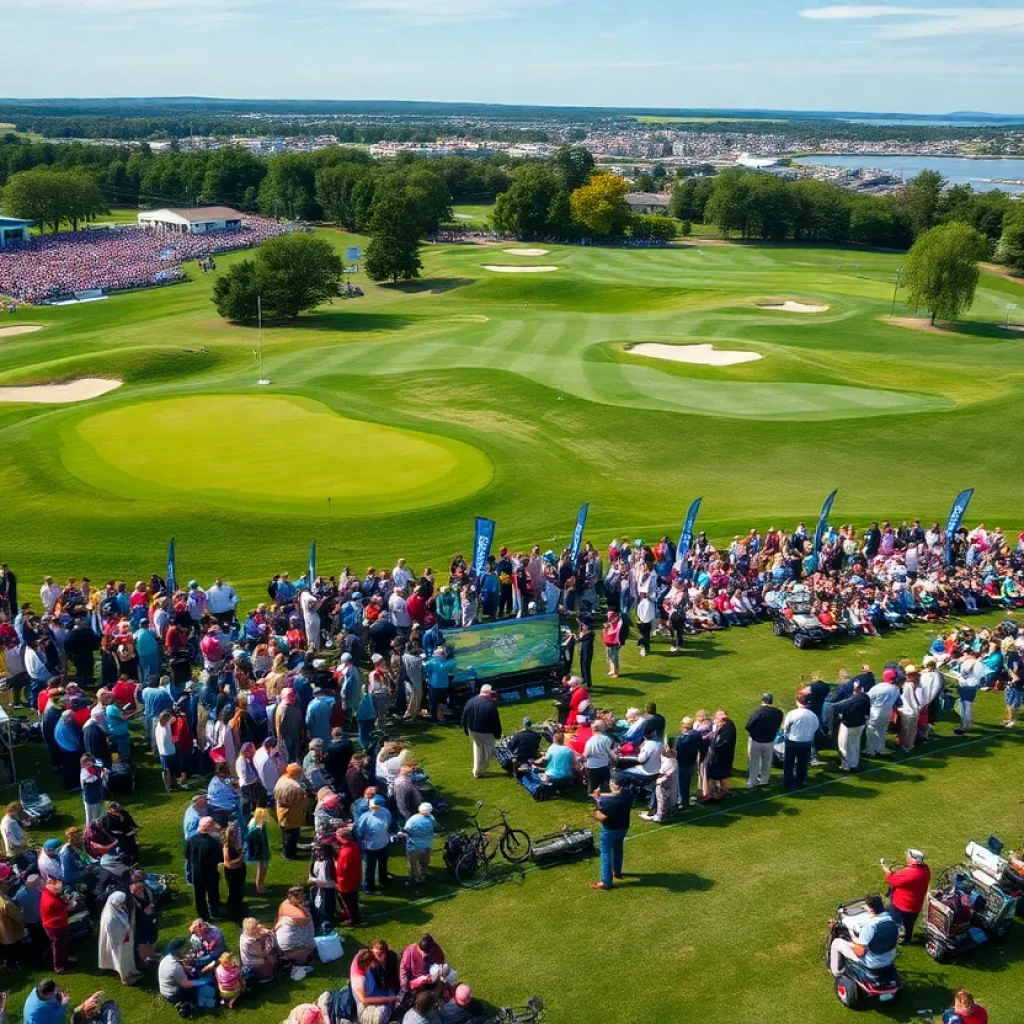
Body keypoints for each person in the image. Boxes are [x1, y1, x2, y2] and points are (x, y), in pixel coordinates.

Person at [828, 893, 899, 978]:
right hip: (890, 958)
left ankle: (837, 973)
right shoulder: (893, 921)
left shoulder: (869, 927)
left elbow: (861, 953)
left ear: (872, 909)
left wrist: (853, 944)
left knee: (837, 943)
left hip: (872, 963)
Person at [882, 848, 931, 943]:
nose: (906, 858)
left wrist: (887, 871)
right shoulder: (925, 869)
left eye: (907, 856)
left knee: (895, 921)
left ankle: (898, 938)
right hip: (916, 905)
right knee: (909, 924)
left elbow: (892, 880)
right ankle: (907, 938)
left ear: (913, 859)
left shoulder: (910, 873)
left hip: (902, 905)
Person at [590, 777, 632, 890]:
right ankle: (617, 872)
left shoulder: (609, 802)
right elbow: (613, 795)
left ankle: (606, 882)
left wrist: (595, 808)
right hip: (623, 827)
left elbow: (600, 817)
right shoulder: (628, 794)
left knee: (606, 853)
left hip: (610, 830)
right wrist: (600, 797)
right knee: (618, 848)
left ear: (614, 785)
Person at [97, 890, 142, 985]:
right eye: (121, 902)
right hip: (119, 942)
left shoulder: (117, 909)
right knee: (120, 959)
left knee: (127, 957)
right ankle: (125, 978)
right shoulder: (109, 917)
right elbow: (112, 934)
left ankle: (131, 970)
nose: (123, 904)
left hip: (125, 938)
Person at [351, 944, 400, 1024]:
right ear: (366, 964)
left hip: (373, 989)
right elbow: (364, 1000)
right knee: (384, 1009)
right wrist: (388, 999)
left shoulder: (361, 955)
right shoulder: (358, 979)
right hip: (368, 998)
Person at [461, 683, 502, 779]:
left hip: (473, 731)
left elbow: (464, 717)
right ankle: (481, 770)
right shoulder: (491, 705)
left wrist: (466, 730)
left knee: (477, 748)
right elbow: (496, 721)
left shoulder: (470, 701)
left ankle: (476, 769)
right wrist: (498, 734)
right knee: (488, 751)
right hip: (486, 733)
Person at [186, 816, 223, 919]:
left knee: (199, 894)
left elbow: (187, 855)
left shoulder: (191, 840)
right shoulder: (213, 843)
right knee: (213, 893)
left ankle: (202, 914)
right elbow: (219, 858)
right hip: (210, 872)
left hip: (196, 872)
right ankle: (214, 912)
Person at [745, 693, 783, 789]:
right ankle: (764, 780)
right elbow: (778, 726)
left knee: (754, 762)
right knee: (767, 761)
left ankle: (752, 782)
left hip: (756, 741)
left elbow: (748, 726)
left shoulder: (759, 712)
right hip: (770, 741)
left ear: (763, 701)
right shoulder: (778, 713)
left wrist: (754, 733)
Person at [356, 795, 392, 895]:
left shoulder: (386, 812)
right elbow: (359, 831)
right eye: (373, 806)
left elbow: (388, 824)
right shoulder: (365, 817)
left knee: (383, 864)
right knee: (369, 869)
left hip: (384, 843)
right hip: (370, 847)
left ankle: (383, 879)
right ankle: (368, 887)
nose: (375, 808)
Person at [782, 693, 818, 791]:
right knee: (802, 763)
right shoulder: (813, 715)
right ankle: (801, 781)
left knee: (789, 764)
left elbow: (786, 727)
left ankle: (788, 784)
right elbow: (815, 727)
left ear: (798, 701)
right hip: (806, 742)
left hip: (792, 741)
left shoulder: (792, 713)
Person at [833, 680, 871, 772]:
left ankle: (845, 765)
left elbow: (842, 712)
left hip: (848, 725)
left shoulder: (850, 700)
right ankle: (854, 764)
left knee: (843, 745)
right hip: (860, 725)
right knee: (855, 745)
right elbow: (867, 714)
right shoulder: (866, 698)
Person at [273, 763, 309, 860]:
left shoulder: (282, 779)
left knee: (286, 834)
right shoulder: (294, 787)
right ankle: (289, 854)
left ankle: (286, 851)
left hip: (282, 813)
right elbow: (303, 802)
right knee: (291, 836)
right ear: (295, 774)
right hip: (291, 815)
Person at [275, 886, 316, 966]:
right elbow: (304, 921)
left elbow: (278, 922)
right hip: (298, 944)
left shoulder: (283, 905)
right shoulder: (300, 913)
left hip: (284, 946)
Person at [41, 876, 74, 973]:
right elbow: (65, 908)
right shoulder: (51, 902)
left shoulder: (46, 892)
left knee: (61, 945)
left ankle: (65, 961)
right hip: (55, 926)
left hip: (55, 923)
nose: (60, 890)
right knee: (58, 946)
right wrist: (70, 905)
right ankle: (59, 967)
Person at [702, 709, 736, 802]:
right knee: (720, 777)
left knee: (714, 776)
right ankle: (719, 793)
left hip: (719, 758)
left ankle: (714, 796)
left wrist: (712, 734)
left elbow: (716, 743)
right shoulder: (728, 726)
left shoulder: (727, 729)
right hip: (722, 757)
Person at [158, 939, 203, 1006]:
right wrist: (203, 981)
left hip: (165, 989)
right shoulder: (175, 967)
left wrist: (186, 968)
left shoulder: (166, 959)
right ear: (177, 951)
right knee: (199, 990)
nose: (185, 951)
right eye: (183, 950)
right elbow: (186, 985)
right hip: (173, 994)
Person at [866, 669, 900, 756]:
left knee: (871, 730)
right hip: (887, 713)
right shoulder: (896, 689)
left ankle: (871, 751)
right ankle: (879, 749)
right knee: (882, 731)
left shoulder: (879, 687)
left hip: (875, 712)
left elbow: (867, 698)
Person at [401, 802, 435, 887]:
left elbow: (405, 832)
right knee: (424, 862)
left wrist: (400, 834)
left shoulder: (412, 820)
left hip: (414, 847)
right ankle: (423, 876)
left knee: (413, 864)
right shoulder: (431, 818)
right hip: (427, 845)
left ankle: (415, 880)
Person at [336, 826, 363, 926]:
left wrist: (338, 882)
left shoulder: (347, 852)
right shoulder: (354, 846)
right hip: (354, 878)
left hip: (346, 882)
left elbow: (341, 870)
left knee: (350, 902)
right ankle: (348, 914)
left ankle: (353, 920)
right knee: (352, 901)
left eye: (337, 836)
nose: (336, 837)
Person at [221, 820, 247, 923]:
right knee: (234, 892)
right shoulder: (227, 848)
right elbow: (228, 863)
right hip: (233, 873)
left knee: (240, 891)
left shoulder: (235, 845)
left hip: (239, 871)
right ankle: (234, 913)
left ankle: (239, 907)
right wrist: (240, 857)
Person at [239, 917, 278, 982]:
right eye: (255, 932)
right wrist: (263, 940)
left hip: (247, 956)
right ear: (251, 930)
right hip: (250, 961)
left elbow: (262, 929)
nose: (257, 933)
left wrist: (266, 932)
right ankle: (263, 976)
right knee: (267, 959)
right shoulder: (250, 941)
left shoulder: (244, 933)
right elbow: (261, 954)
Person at [245, 805, 272, 895]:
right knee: (262, 869)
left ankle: (260, 885)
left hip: (260, 850)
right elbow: (249, 837)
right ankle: (260, 887)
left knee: (261, 868)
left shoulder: (256, 823)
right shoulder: (257, 827)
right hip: (259, 851)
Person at [0, 885, 24, 971]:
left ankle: (7, 961)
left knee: (5, 949)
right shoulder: (5, 903)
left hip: (2, 930)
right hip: (10, 931)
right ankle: (12, 965)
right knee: (11, 950)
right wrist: (21, 913)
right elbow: (17, 917)